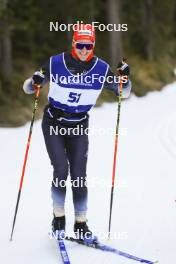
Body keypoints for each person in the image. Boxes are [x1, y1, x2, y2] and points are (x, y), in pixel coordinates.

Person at [23, 24, 131, 243]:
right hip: (54, 122)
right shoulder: (56, 63)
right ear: (73, 43)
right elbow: (29, 87)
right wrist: (33, 81)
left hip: (79, 124)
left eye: (88, 45)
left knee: (79, 174)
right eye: (80, 45)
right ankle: (59, 218)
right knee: (61, 168)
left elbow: (124, 93)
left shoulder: (100, 69)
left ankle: (81, 223)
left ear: (93, 45)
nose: (83, 50)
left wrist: (125, 79)